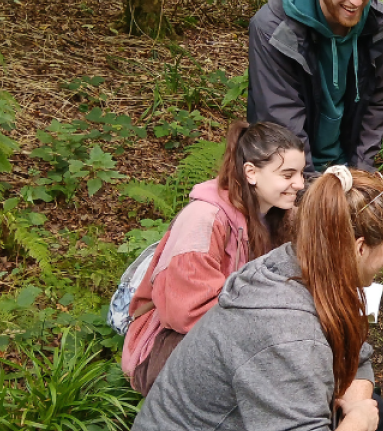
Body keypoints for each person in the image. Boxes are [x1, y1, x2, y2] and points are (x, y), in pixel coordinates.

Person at [122, 166, 383, 431]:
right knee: (363, 419)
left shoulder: (306, 264)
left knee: (375, 411)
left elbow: (356, 354)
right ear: (359, 249)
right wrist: (358, 420)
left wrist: (359, 404)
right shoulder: (288, 330)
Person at [121, 121, 304, 396]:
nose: (299, 184)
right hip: (165, 350)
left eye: (301, 173)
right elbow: (186, 313)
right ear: (251, 173)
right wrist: (274, 318)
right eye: (288, 174)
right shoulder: (203, 219)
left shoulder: (276, 216)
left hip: (232, 335)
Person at [247, 0, 383, 173]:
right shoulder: (274, 31)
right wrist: (309, 188)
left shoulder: (378, 25)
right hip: (288, 170)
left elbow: (376, 103)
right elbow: (280, 120)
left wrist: (361, 173)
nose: (356, 1)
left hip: (347, 163)